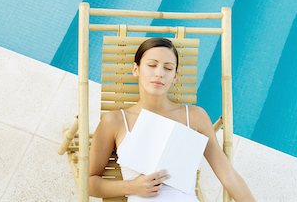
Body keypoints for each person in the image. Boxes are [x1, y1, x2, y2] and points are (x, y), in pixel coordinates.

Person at [89, 37, 256, 201]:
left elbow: (228, 175)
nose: (159, 73)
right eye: (152, 65)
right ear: (136, 69)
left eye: (168, 68)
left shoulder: (194, 116)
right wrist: (132, 186)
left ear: (175, 76)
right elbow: (89, 182)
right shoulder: (115, 121)